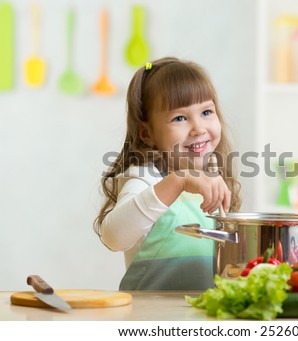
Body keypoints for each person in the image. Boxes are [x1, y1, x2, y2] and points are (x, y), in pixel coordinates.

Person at [94, 57, 241, 290]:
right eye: (180, 118)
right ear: (147, 134)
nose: (199, 128)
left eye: (206, 112)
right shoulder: (145, 177)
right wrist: (178, 180)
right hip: (151, 319)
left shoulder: (215, 179)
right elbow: (114, 236)